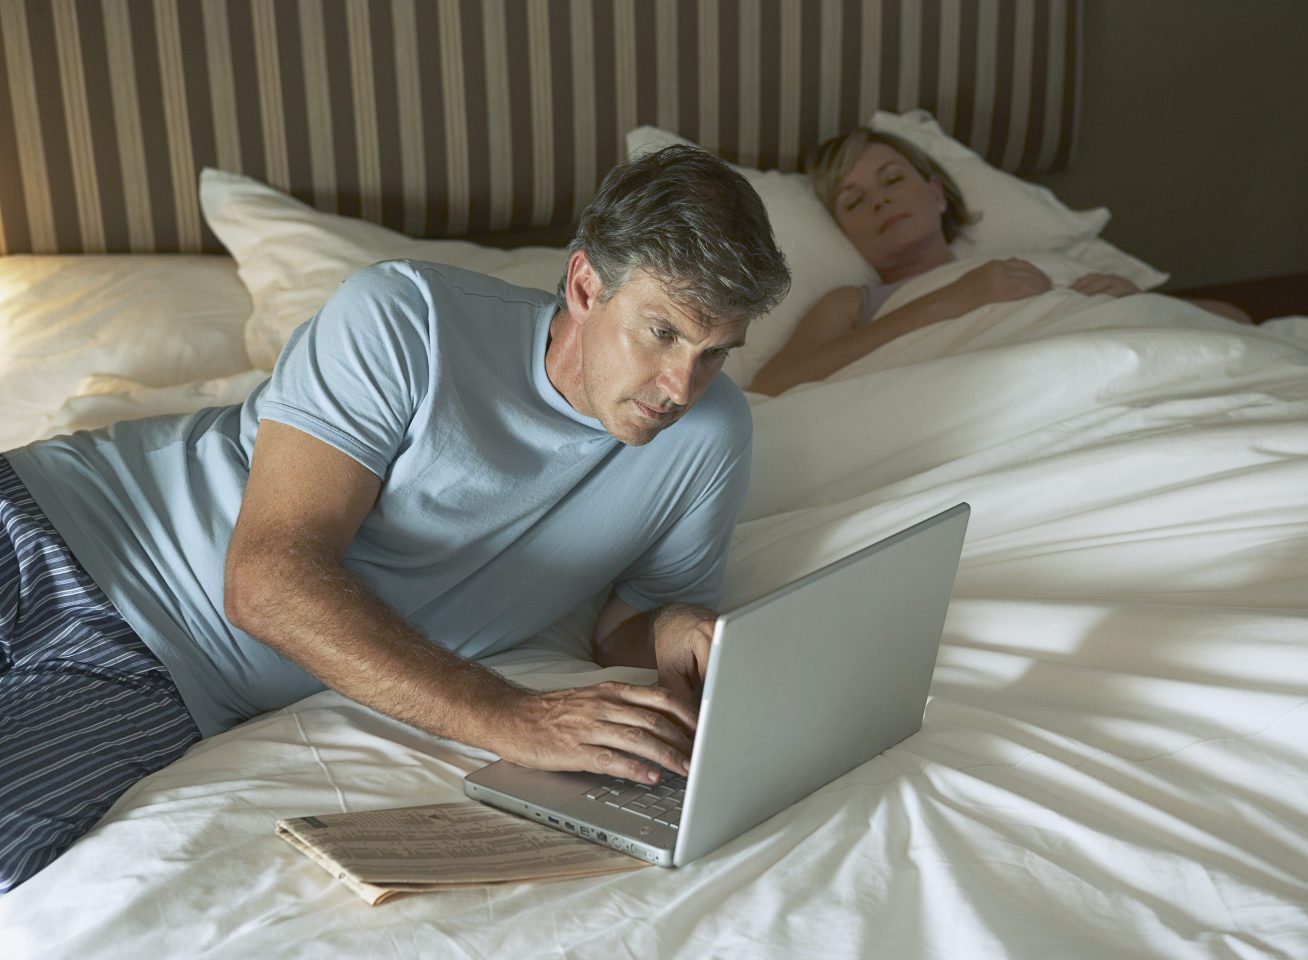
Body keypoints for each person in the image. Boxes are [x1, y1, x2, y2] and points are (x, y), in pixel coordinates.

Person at [0, 144, 790, 894]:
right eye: (663, 333)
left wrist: (673, 630)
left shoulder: (709, 436)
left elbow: (631, 621)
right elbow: (269, 581)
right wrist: (507, 716)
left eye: (717, 351)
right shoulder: (407, 317)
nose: (681, 386)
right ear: (585, 286)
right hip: (47, 518)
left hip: (158, 676)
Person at [748, 128, 1248, 396]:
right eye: (853, 201)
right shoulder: (853, 304)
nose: (879, 201)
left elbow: (1238, 323)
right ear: (843, 233)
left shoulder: (1042, 262)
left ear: (938, 194)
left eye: (893, 179)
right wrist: (949, 301)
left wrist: (1137, 304)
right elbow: (772, 388)